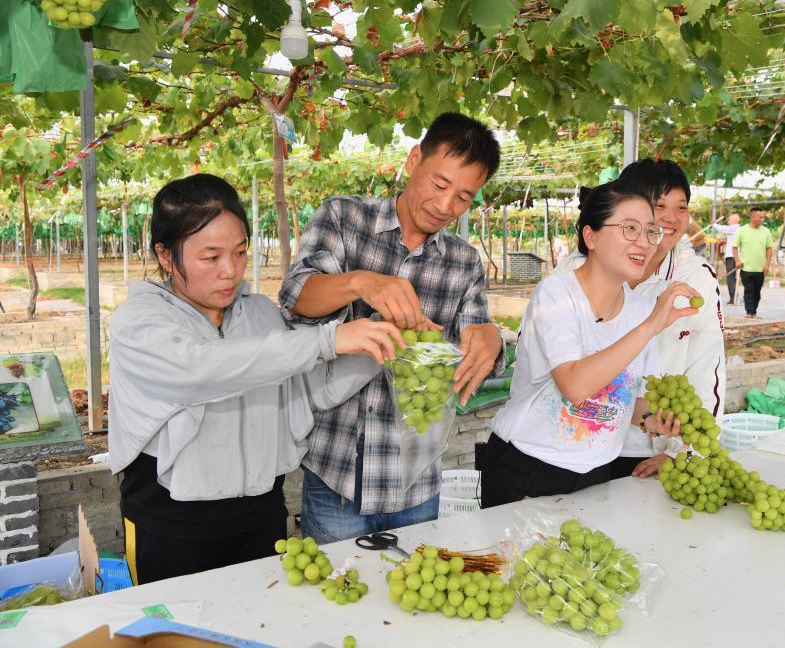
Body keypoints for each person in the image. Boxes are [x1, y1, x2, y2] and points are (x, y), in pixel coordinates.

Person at [108, 174, 403, 584]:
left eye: (240, 252)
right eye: (211, 257)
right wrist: (328, 339)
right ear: (165, 254)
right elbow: (201, 370)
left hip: (260, 519)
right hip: (171, 526)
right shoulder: (139, 321)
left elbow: (309, 389)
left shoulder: (261, 313)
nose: (230, 271)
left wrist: (377, 345)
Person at [279, 113, 505, 543]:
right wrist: (361, 282)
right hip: (337, 475)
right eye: (439, 184)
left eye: (463, 197)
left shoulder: (464, 262)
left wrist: (491, 340)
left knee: (410, 585)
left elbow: (476, 343)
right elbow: (295, 297)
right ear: (414, 160)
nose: (446, 207)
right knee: (335, 585)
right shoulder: (344, 219)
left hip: (416, 485)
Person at [480, 180, 697, 509]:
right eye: (630, 229)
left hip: (595, 473)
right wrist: (651, 326)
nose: (644, 242)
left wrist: (656, 421)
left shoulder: (641, 311)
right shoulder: (556, 295)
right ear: (591, 237)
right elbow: (575, 385)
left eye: (650, 232)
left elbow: (629, 400)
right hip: (528, 468)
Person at [551, 159, 726, 480]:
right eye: (659, 205)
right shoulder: (575, 271)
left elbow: (707, 366)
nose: (671, 218)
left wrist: (684, 451)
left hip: (646, 451)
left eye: (681, 207)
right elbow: (556, 369)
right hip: (575, 440)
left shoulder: (695, 277)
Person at [734, 206, 774, 318]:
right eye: (760, 217)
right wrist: (737, 260)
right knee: (749, 291)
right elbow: (734, 247)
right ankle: (749, 313)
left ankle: (754, 312)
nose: (762, 219)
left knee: (757, 293)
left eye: (763, 217)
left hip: (760, 268)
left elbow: (769, 248)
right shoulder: (742, 230)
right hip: (746, 268)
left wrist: (767, 264)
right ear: (752, 217)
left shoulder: (766, 231)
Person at [713, 213, 741, 305]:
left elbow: (723, 228)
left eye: (729, 220)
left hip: (732, 256)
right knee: (733, 278)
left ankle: (733, 298)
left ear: (734, 220)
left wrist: (713, 224)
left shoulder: (735, 228)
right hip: (734, 256)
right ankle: (735, 297)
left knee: (730, 278)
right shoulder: (736, 229)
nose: (728, 221)